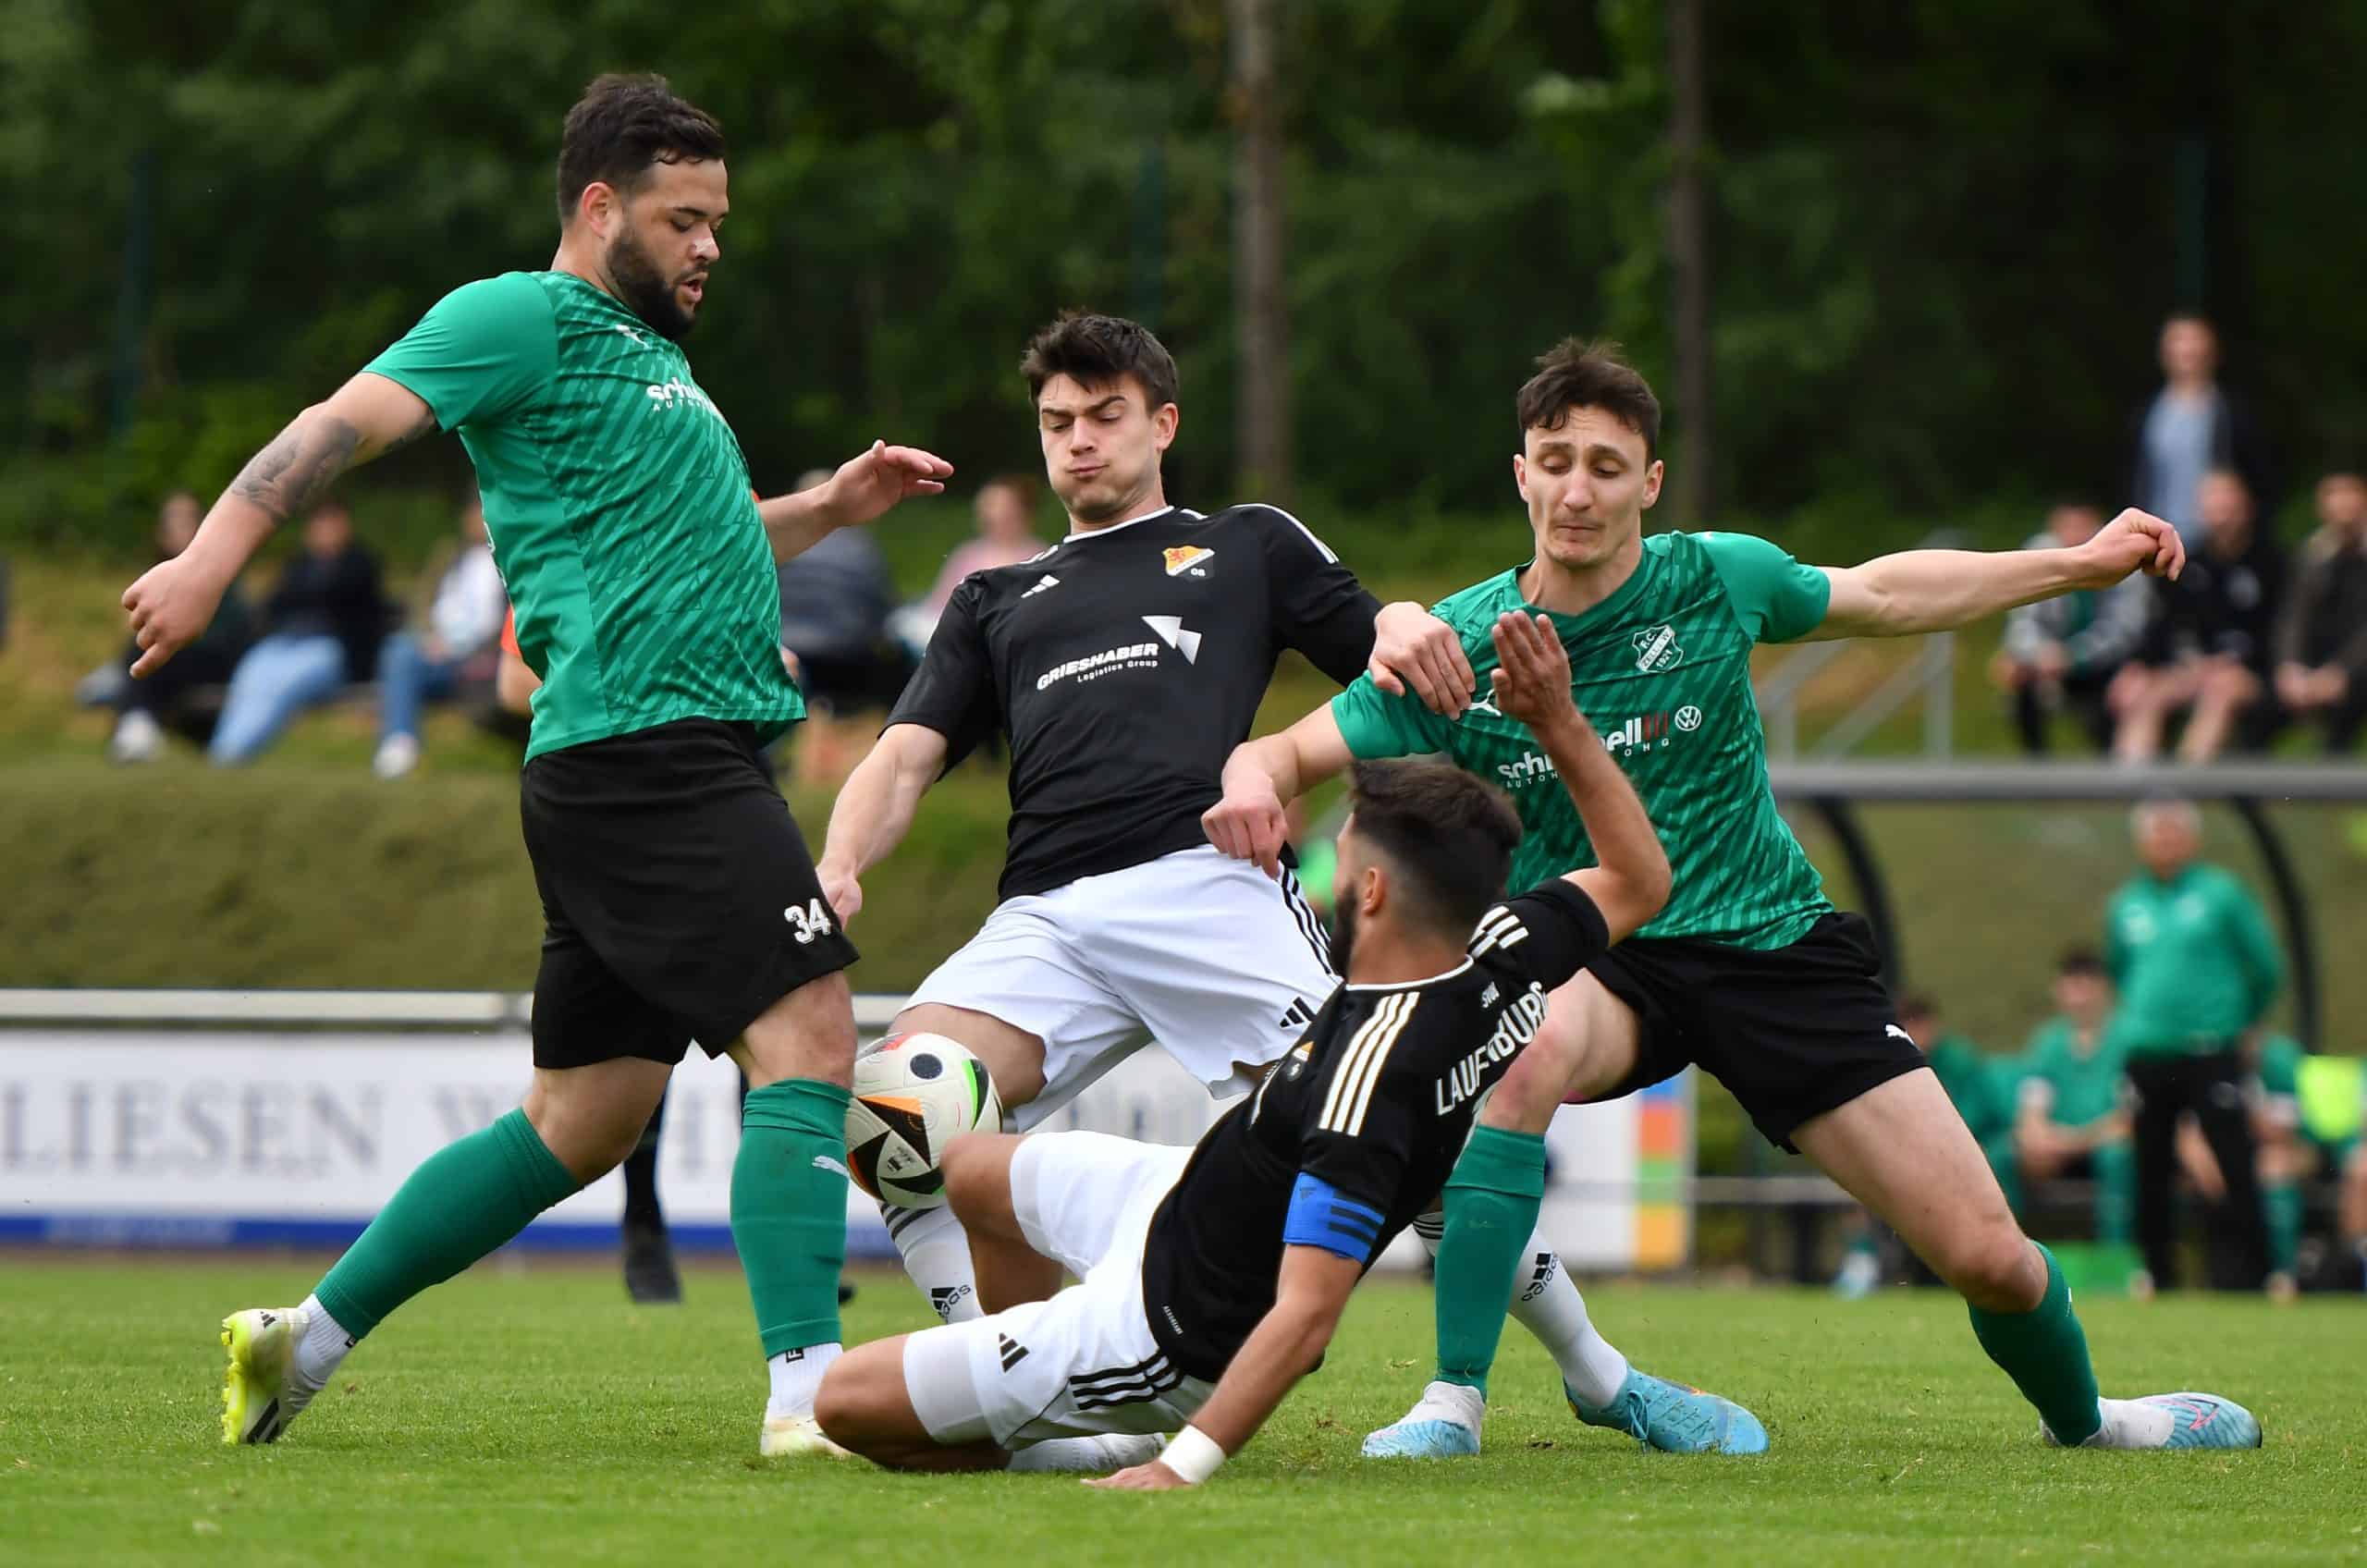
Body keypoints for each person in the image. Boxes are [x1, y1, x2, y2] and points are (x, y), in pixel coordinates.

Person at [1211, 337, 2260, 1455]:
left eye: (1606, 466)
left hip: (1771, 948)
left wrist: (2076, 566)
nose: (1577, 490)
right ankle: (1452, 1400)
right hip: (1602, 948)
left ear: (1650, 483)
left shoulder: (1716, 577)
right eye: (1555, 462)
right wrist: (1249, 779)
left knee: (1989, 1258)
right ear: (1520, 475)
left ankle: (2093, 1423)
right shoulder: (1462, 647)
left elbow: (1884, 593)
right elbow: (1286, 751)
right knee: (1520, 1049)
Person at [122, 73, 951, 1455]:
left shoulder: (648, 362)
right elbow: (338, 423)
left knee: (582, 1120)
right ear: (600, 206)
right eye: (685, 220)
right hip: (652, 756)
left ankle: (298, 1342)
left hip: (632, 765)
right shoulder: (516, 316)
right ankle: (809, 1395)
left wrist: (828, 506)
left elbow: (701, 538)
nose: (710, 247)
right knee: (809, 1029)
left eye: (720, 223)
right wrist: (210, 559)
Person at [816, 312, 1736, 1452]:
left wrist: (1414, 627)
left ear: (1163, 423)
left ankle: (1598, 1373)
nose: (1079, 441)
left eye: (1105, 416)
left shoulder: (1244, 543)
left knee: (1413, 1120)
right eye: (1056, 423)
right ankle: (1007, 1397)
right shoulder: (994, 595)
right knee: (893, 1110)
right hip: (1045, 916)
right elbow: (902, 758)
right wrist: (838, 861)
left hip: (1208, 884)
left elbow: (1383, 635)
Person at [812, 609, 1679, 1483]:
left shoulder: (1368, 1079)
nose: (1317, 870)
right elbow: (1641, 879)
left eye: (1337, 854)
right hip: (1172, 1198)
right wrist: (1558, 723)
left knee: (843, 1402)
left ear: (1371, 890)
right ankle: (1018, 1382)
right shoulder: (1502, 948)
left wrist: (1181, 1467)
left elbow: (1305, 1320)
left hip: (1165, 1329)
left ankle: (1073, 1421)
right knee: (972, 1167)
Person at [2104, 799, 2280, 1294]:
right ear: (2142, 841)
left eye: (2173, 831)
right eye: (2156, 832)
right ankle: (2157, 1274)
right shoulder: (2127, 903)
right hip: (2148, 1054)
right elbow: (2120, 969)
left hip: (2211, 1049)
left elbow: (2266, 967)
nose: (2165, 841)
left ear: (2192, 839)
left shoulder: (2222, 895)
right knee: (2150, 1165)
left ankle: (2260, 1274)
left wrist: (2242, 1021)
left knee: (2234, 1159)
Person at [2108, 469, 2286, 764]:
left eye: (2228, 504)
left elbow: (2280, 630)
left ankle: (2188, 784)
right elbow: (2164, 624)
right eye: (2213, 504)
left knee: (2220, 691)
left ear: (2246, 507)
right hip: (2192, 669)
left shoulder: (2272, 564)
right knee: (2146, 694)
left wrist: (2235, 662)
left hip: (2250, 673)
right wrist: (2138, 665)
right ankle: (2133, 787)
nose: (2221, 514)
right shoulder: (2185, 562)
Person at [204, 500, 391, 765]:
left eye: (331, 523)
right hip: (285, 644)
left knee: (283, 685)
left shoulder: (360, 565)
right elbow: (274, 605)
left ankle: (234, 753)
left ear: (345, 527)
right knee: (251, 675)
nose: (325, 531)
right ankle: (220, 749)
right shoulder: (299, 565)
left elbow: (357, 613)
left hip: (329, 651)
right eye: (319, 524)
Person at [103, 491, 256, 762]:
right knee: (146, 652)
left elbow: (235, 631)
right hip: (174, 660)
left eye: (186, 521)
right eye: (172, 523)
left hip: (213, 659)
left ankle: (135, 718)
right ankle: (135, 718)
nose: (179, 530)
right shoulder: (156, 575)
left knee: (150, 655)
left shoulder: (220, 573)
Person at [1989, 502, 2149, 754]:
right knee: (2015, 670)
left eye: (2081, 526)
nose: (2075, 535)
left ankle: (2111, 763)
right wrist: (2039, 653)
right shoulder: (2038, 555)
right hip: (2047, 661)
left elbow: (2123, 629)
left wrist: (2073, 656)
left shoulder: (2124, 559)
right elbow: (2022, 620)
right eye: (2068, 527)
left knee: (2119, 688)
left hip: (2105, 662)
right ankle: (2037, 764)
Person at [371, 494, 512, 778]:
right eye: (473, 513)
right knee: (399, 649)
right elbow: (425, 604)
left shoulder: (509, 562)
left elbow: (503, 625)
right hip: (435, 650)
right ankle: (400, 742)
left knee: (402, 657)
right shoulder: (450, 555)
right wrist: (430, 637)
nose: (476, 520)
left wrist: (458, 648)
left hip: (478, 659)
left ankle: (399, 743)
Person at [2013, 949, 2135, 1255]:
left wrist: (2073, 1142)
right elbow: (2031, 1108)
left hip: (2104, 1147)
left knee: (2118, 1157)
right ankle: (2009, 1258)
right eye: (2071, 987)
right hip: (2057, 1150)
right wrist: (2035, 1136)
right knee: (2004, 1155)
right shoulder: (2048, 1042)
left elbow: (2128, 1120)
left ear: (2104, 989)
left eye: (2087, 987)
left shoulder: (2129, 1039)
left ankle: (2118, 1260)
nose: (2079, 998)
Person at [2127, 313, 2275, 543]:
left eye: (2195, 340)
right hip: (2156, 540)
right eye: (2179, 340)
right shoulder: (2146, 415)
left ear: (2213, 349)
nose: (2188, 349)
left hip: (2219, 542)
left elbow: (2259, 477)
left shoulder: (2234, 414)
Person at [889, 474, 1049, 657]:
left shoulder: (1039, 557)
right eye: (987, 506)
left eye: (998, 506)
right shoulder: (968, 555)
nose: (990, 513)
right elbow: (939, 606)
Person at [2271, 472, 2367, 753]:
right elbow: (2293, 617)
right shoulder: (2313, 556)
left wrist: (2343, 672)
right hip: (2318, 668)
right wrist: (2290, 666)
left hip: (2354, 668)